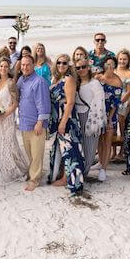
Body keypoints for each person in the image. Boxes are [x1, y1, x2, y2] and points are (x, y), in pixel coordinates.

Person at [47, 54, 85, 195]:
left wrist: (63, 122)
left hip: (67, 119)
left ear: (69, 65)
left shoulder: (69, 79)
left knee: (71, 152)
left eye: (64, 63)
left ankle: (71, 182)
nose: (61, 65)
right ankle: (63, 177)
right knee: (62, 151)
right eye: (59, 63)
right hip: (57, 119)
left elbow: (70, 103)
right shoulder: (56, 79)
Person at [17, 54, 51, 191]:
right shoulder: (21, 80)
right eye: (23, 65)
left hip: (36, 124)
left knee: (37, 153)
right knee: (30, 153)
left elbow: (44, 103)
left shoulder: (39, 81)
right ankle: (34, 172)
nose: (25, 67)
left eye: (28, 65)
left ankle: (35, 179)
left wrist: (40, 122)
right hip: (24, 122)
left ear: (33, 66)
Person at [0, 58, 28, 183]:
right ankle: (2, 170)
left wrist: (4, 115)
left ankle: (11, 171)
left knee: (7, 143)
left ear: (9, 68)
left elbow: (15, 103)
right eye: (1, 66)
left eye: (6, 66)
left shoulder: (11, 83)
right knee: (0, 144)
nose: (3, 68)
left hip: (7, 118)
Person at [74, 58, 106, 177]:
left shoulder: (95, 83)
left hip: (90, 116)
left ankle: (84, 172)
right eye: (78, 68)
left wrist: (97, 122)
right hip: (76, 116)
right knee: (79, 146)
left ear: (88, 68)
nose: (81, 70)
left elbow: (100, 103)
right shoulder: (74, 82)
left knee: (90, 147)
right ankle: (77, 172)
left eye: (83, 67)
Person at [96, 56, 122, 182]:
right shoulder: (98, 77)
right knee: (100, 140)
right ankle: (101, 162)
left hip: (110, 115)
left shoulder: (118, 82)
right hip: (97, 113)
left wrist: (109, 118)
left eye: (112, 65)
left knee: (107, 142)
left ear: (115, 66)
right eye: (107, 64)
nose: (109, 67)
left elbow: (115, 103)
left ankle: (104, 169)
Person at [115, 48, 130, 161]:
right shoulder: (113, 70)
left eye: (125, 59)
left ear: (128, 60)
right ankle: (113, 152)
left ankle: (122, 152)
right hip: (113, 100)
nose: (122, 61)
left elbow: (129, 91)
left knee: (122, 126)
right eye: (121, 59)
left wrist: (120, 102)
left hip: (124, 101)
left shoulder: (129, 73)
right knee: (112, 128)